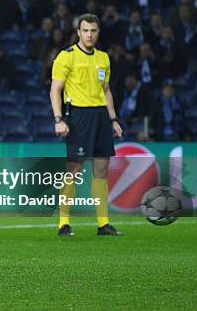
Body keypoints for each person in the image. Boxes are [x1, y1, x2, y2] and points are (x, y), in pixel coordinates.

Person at [49, 13, 124, 237]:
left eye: (93, 31)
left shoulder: (103, 58)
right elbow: (55, 89)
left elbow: (106, 90)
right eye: (85, 31)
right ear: (78, 32)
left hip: (101, 116)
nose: (89, 35)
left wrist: (113, 119)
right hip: (78, 115)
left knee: (101, 169)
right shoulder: (67, 56)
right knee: (73, 169)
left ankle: (103, 224)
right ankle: (63, 223)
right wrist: (58, 119)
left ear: (98, 32)